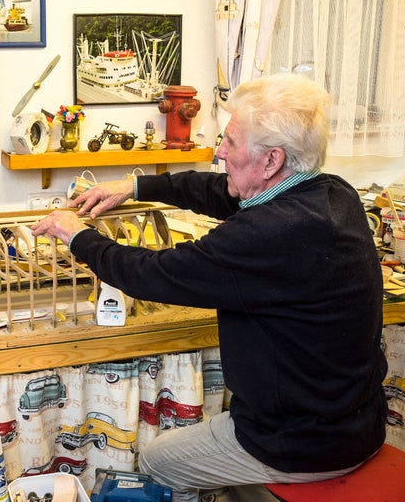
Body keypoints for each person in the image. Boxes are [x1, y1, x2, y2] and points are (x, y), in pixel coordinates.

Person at [30, 73, 388, 502]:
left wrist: (76, 234)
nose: (218, 151)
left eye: (230, 142)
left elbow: (146, 273)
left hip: (302, 444)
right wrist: (136, 185)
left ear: (271, 160)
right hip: (359, 423)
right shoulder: (332, 193)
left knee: (157, 460)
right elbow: (222, 191)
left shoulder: (269, 233)